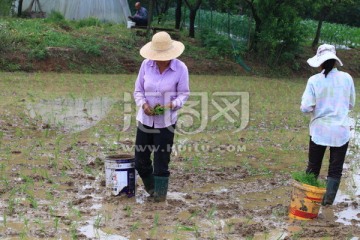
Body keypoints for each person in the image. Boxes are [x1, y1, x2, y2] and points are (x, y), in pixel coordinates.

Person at [133, 31, 190, 202]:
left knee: (161, 161)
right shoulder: (146, 65)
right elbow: (138, 90)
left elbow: (184, 94)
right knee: (140, 160)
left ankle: (160, 196)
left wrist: (171, 105)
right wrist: (144, 105)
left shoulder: (180, 68)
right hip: (145, 120)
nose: (159, 59)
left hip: (166, 122)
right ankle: (152, 189)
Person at [300, 44, 355, 206]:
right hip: (341, 131)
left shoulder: (314, 81)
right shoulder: (347, 78)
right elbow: (351, 104)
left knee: (314, 166)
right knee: (335, 169)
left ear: (321, 63)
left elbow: (306, 107)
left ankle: (307, 201)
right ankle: (327, 203)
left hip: (319, 131)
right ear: (335, 61)